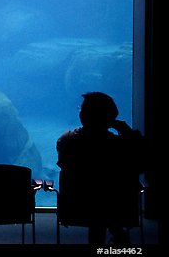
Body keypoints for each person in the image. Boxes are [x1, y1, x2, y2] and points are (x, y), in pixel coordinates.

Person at [56, 91, 145, 244]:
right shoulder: (119, 146)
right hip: (114, 205)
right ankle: (116, 230)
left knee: (96, 205)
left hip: (78, 203)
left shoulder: (67, 140)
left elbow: (64, 162)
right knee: (107, 196)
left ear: (83, 115)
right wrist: (126, 130)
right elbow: (142, 161)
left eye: (81, 109)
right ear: (110, 117)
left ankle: (114, 231)